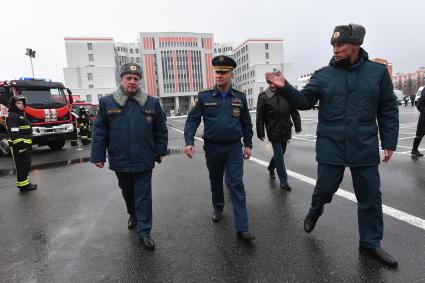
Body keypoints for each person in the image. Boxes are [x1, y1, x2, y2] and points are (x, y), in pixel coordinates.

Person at [266, 24, 399, 267]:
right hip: (331, 144)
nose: (335, 49)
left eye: (340, 45)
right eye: (333, 45)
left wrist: (389, 141)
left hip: (364, 144)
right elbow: (305, 101)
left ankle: (370, 243)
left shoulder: (377, 73)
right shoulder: (324, 75)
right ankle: (315, 210)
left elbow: (387, 109)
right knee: (325, 188)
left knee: (370, 196)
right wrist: (285, 88)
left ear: (356, 45)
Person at [91, 63, 168, 251]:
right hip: (120, 159)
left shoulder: (151, 102)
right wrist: (98, 156)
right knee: (127, 192)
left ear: (139, 81)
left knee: (144, 196)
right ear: (122, 80)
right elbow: (99, 131)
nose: (132, 82)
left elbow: (160, 129)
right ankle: (132, 214)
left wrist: (160, 150)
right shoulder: (107, 102)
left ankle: (144, 232)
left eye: (136, 79)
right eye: (129, 78)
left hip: (144, 158)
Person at [184, 55, 255, 242]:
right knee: (216, 181)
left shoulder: (239, 97)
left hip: (233, 148)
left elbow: (246, 122)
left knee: (236, 184)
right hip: (213, 148)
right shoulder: (204, 96)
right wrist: (189, 141)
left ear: (231, 74)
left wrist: (248, 143)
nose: (219, 76)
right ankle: (218, 207)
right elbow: (192, 120)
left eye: (223, 72)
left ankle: (242, 228)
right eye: (217, 72)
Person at [256, 70, 302, 189]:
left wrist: (298, 126)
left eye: (274, 83)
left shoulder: (286, 94)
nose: (272, 85)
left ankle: (271, 167)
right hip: (273, 130)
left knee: (281, 152)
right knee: (279, 155)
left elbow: (294, 111)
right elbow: (260, 116)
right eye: (269, 83)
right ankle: (284, 181)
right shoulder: (263, 96)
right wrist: (261, 132)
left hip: (286, 128)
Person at [6, 95, 37, 191]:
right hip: (20, 147)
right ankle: (23, 186)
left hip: (25, 145)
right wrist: (21, 147)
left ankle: (25, 183)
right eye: (19, 103)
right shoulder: (12, 117)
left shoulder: (20, 115)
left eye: (22, 103)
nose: (22, 105)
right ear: (13, 105)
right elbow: (14, 135)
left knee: (25, 166)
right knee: (21, 167)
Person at [411, 87, 425, 157]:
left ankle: (414, 150)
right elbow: (419, 105)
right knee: (420, 134)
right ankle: (414, 150)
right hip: (424, 119)